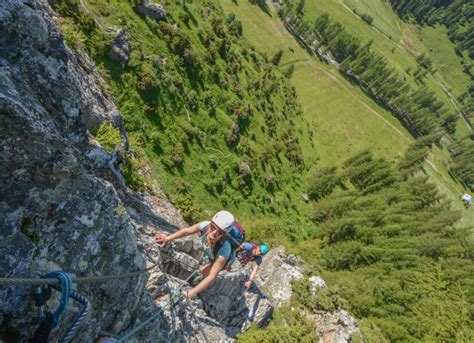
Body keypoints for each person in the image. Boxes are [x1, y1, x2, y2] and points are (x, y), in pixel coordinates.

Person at [155, 210, 238, 300]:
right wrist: (167, 238)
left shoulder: (224, 250)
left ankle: (198, 289)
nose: (214, 233)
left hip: (216, 259)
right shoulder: (205, 225)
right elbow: (186, 231)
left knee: (204, 274)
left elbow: (212, 276)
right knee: (202, 269)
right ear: (210, 223)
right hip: (210, 251)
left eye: (220, 232)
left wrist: (191, 293)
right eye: (213, 227)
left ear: (224, 235)